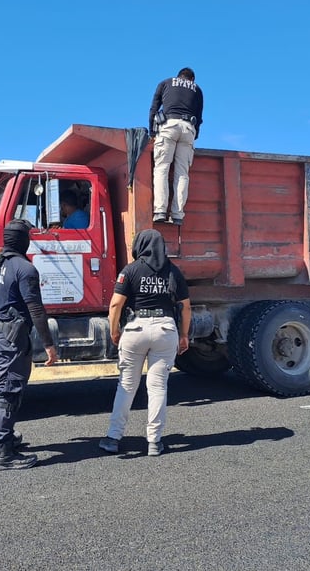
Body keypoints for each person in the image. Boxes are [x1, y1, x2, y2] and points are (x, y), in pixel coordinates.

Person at [99, 229, 191, 457]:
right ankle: (154, 441)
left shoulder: (131, 270)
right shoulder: (173, 270)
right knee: (158, 387)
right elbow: (185, 306)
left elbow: (115, 305)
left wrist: (114, 331)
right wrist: (184, 335)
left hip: (136, 328)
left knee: (127, 386)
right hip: (165, 330)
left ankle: (113, 437)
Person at [0, 219, 59, 471]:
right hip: (10, 340)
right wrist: (48, 344)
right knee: (8, 392)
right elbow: (35, 307)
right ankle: (3, 453)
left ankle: (4, 437)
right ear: (23, 241)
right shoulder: (25, 268)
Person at [148, 67, 204, 226]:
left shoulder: (165, 83)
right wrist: (195, 135)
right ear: (191, 79)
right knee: (182, 173)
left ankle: (160, 210)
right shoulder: (197, 89)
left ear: (179, 76)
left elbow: (154, 108)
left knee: (162, 168)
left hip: (168, 126)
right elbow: (199, 117)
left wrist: (152, 132)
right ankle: (177, 214)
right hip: (188, 128)